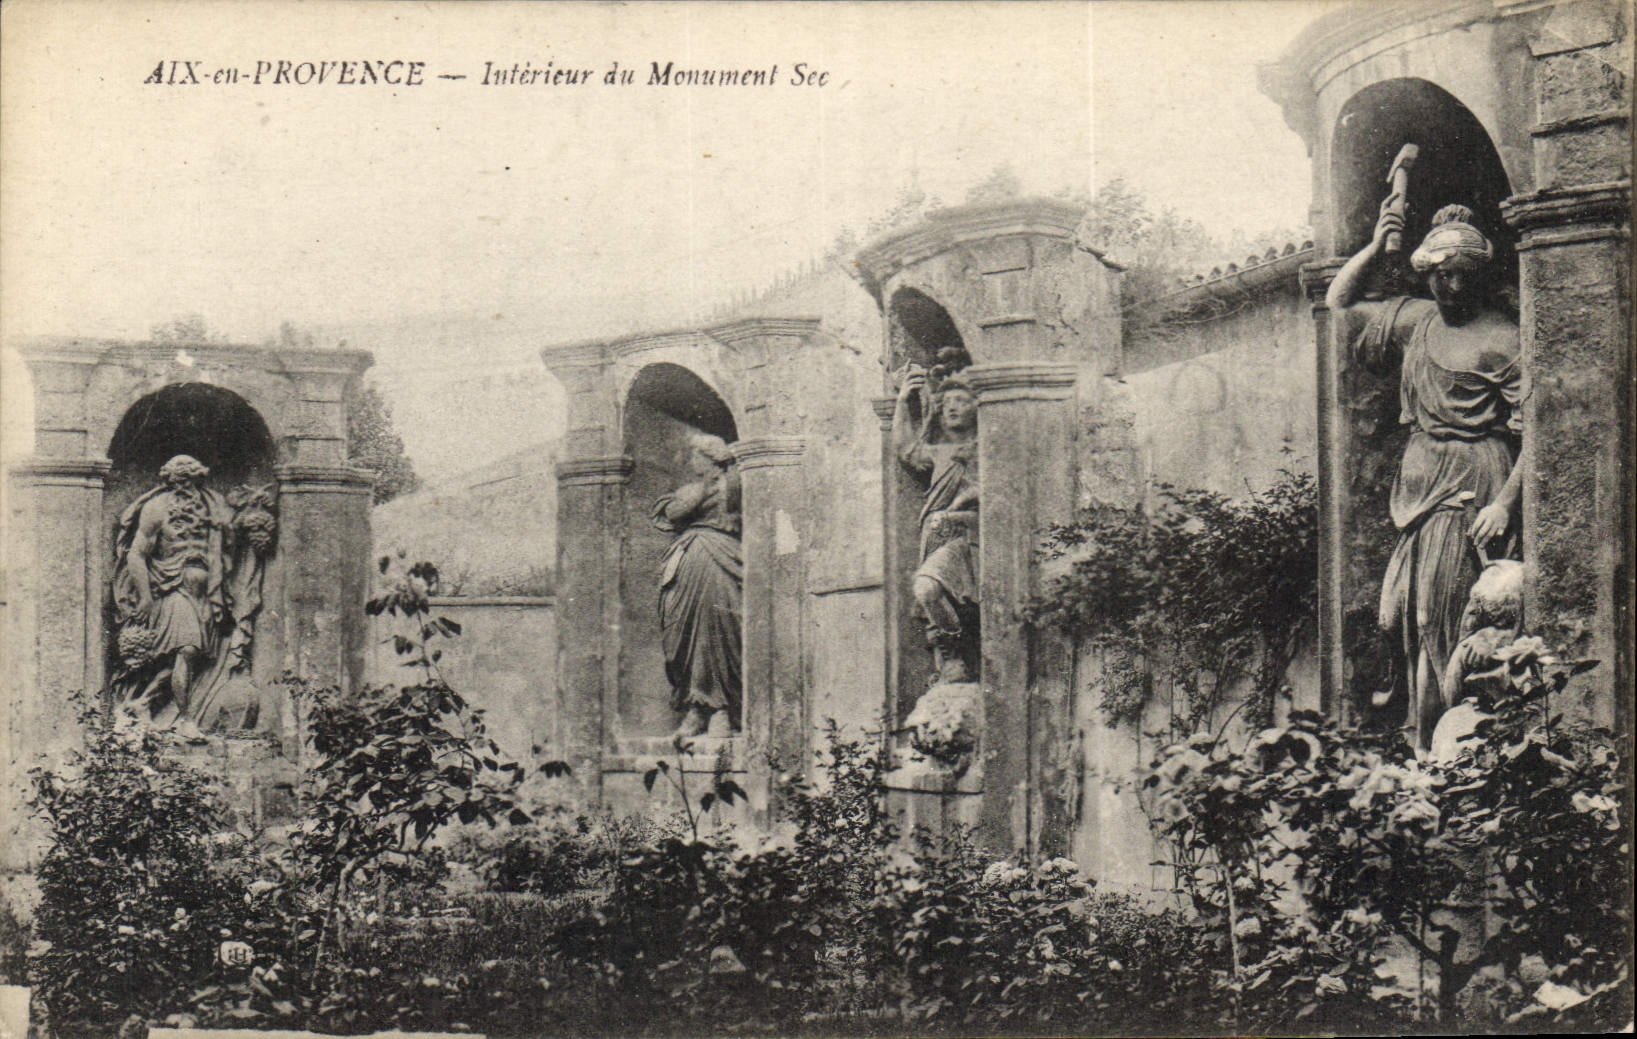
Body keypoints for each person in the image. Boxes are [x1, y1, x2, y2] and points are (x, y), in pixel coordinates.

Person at [1327, 201, 1524, 749]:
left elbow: (1535, 430)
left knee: (1441, 618)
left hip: (1471, 483)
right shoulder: (1416, 321)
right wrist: (1373, 246)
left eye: (1463, 274)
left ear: (1480, 275)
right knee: (1402, 620)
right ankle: (1423, 733)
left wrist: (1504, 504)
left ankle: (1445, 743)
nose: (1452, 285)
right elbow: (1338, 305)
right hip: (1417, 486)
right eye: (1441, 275)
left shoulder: (1502, 339)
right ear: (1427, 274)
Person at [112, 454, 234, 739]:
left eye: (189, 479)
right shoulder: (156, 508)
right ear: (168, 480)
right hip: (171, 590)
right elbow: (136, 554)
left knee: (190, 658)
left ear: (198, 478)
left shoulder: (213, 507)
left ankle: (140, 704)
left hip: (204, 594)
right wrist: (145, 597)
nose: (183, 485)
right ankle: (188, 721)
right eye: (178, 480)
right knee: (188, 650)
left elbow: (227, 542)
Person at [653, 434, 744, 738]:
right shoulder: (693, 490)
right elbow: (671, 513)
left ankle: (721, 710)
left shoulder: (735, 486)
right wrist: (702, 490)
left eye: (696, 457)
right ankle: (694, 709)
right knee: (684, 632)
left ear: (711, 458)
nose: (691, 462)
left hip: (721, 561)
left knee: (717, 631)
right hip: (687, 565)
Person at [894, 367, 979, 684]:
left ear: (977, 406)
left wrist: (958, 507)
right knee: (931, 592)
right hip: (937, 535)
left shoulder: (985, 447)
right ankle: (952, 652)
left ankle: (958, 653)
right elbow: (906, 451)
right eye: (947, 402)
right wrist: (903, 403)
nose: (953, 407)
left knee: (929, 588)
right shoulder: (938, 453)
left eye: (961, 400)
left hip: (971, 536)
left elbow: (992, 490)